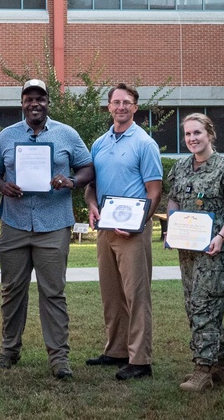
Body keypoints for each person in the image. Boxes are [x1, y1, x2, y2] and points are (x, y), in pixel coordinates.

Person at [0, 78, 94, 379]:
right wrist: (2, 186)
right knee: (11, 291)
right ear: (21, 103)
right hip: (14, 223)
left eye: (40, 98)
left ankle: (59, 358)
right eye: (28, 98)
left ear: (48, 102)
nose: (34, 103)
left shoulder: (67, 134)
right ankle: (9, 350)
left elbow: (87, 167)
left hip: (53, 224)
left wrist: (71, 182)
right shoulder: (7, 136)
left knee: (53, 293)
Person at [84, 84, 162, 381]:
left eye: (126, 102)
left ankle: (140, 360)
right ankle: (116, 350)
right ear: (108, 107)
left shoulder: (145, 144)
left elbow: (154, 191)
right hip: (106, 231)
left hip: (133, 232)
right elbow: (92, 186)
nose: (120, 107)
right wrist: (92, 206)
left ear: (135, 108)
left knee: (136, 295)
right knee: (111, 294)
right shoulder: (100, 144)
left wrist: (139, 223)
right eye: (116, 102)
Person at [166, 113, 224, 392]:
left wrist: (222, 235)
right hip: (187, 251)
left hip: (216, 251)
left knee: (205, 307)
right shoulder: (181, 167)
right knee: (194, 304)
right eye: (187, 134)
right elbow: (173, 198)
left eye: (197, 133)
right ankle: (219, 365)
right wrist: (170, 229)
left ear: (210, 134)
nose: (192, 139)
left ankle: (202, 369)